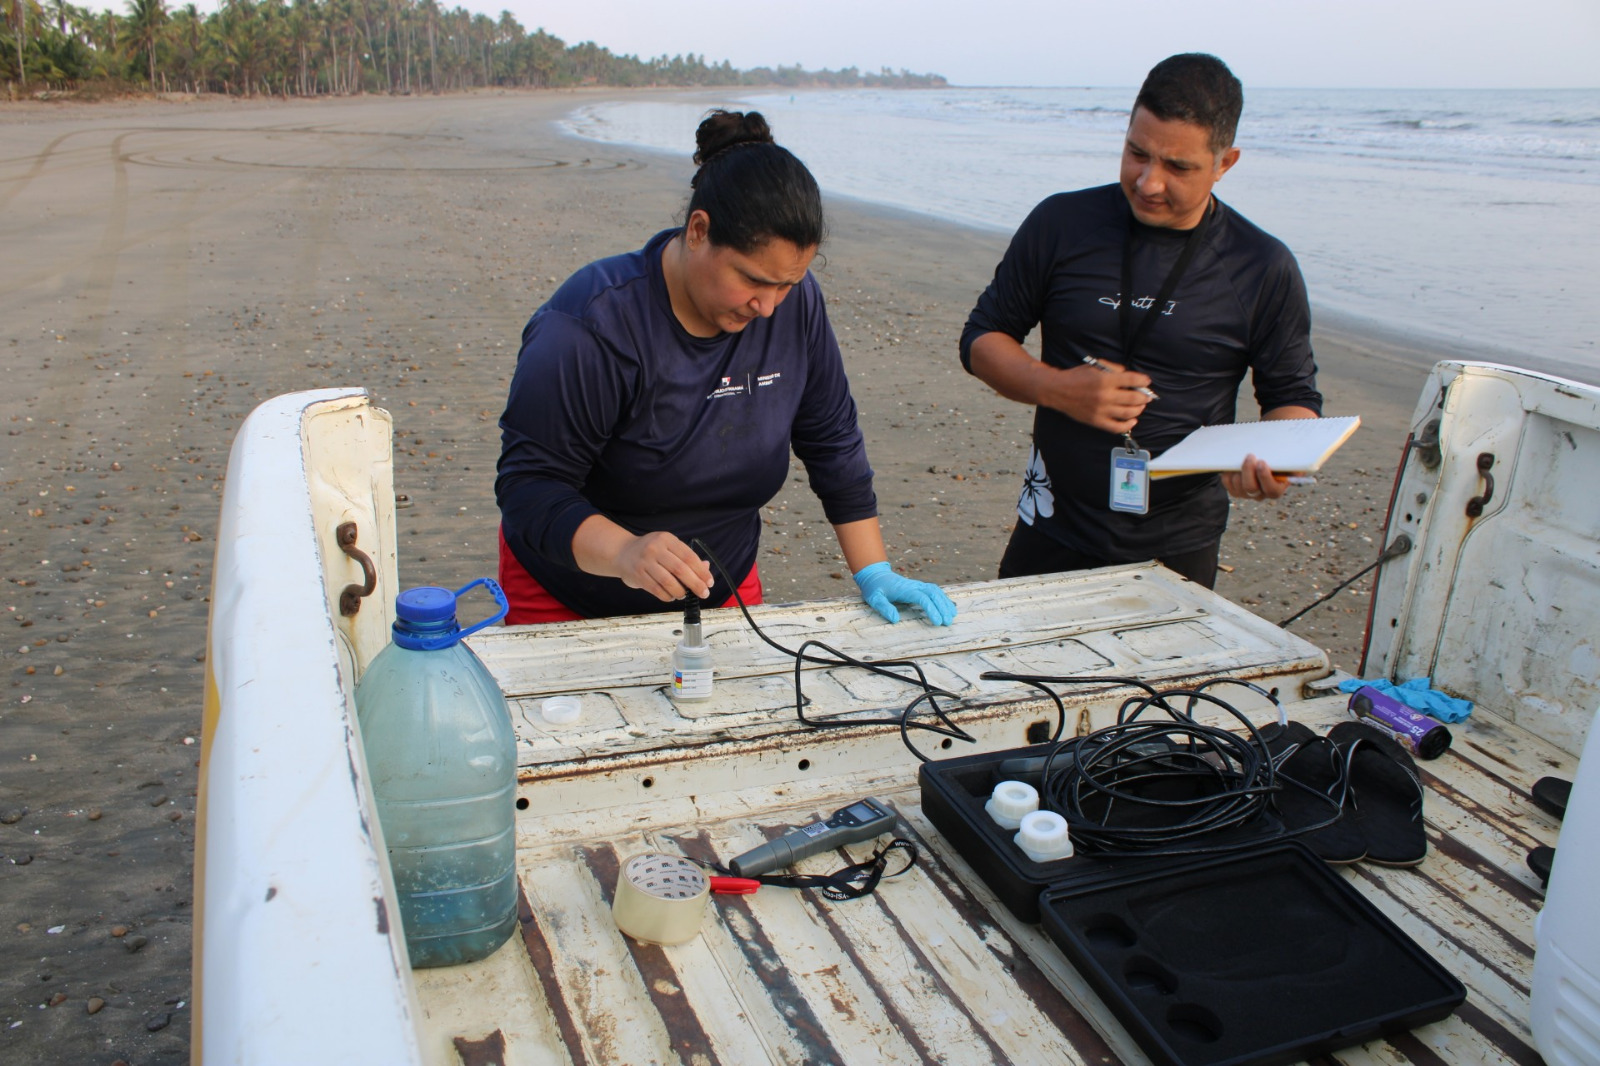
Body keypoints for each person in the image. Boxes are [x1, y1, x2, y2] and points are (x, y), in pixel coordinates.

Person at [496, 109, 955, 628]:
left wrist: (874, 569)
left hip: (722, 587)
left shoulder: (794, 305)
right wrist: (626, 552)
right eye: (753, 280)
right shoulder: (590, 327)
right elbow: (529, 488)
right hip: (570, 591)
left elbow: (832, 439)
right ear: (698, 231)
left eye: (787, 284)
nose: (769, 307)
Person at [960, 53, 1322, 589]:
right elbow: (982, 338)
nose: (1149, 182)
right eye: (1136, 154)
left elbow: (1293, 398)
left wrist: (1275, 461)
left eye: (1178, 167)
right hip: (1052, 519)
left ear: (1226, 163)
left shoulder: (1261, 265)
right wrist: (1058, 389)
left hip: (1179, 540)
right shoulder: (1062, 223)